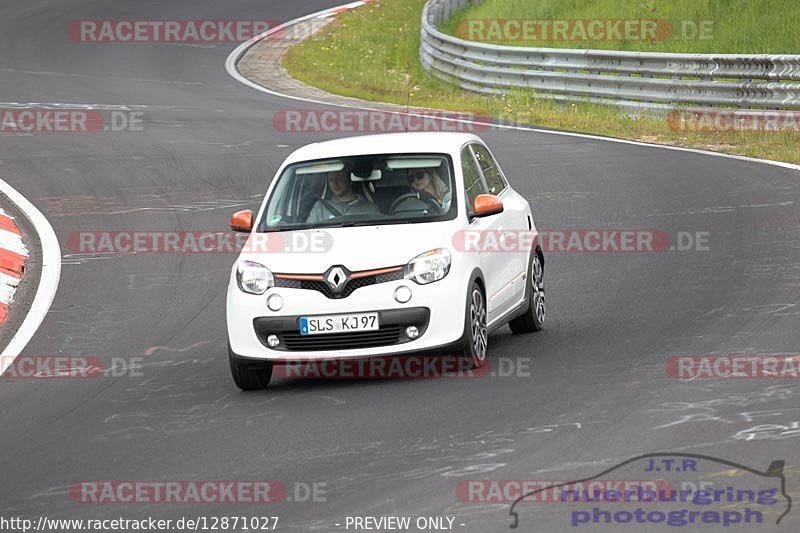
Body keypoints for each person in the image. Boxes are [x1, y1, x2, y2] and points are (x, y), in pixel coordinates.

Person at [306, 168, 379, 223]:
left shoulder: (370, 209)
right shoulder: (320, 208)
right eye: (331, 180)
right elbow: (309, 232)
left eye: (339, 179)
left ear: (349, 181)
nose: (335, 183)